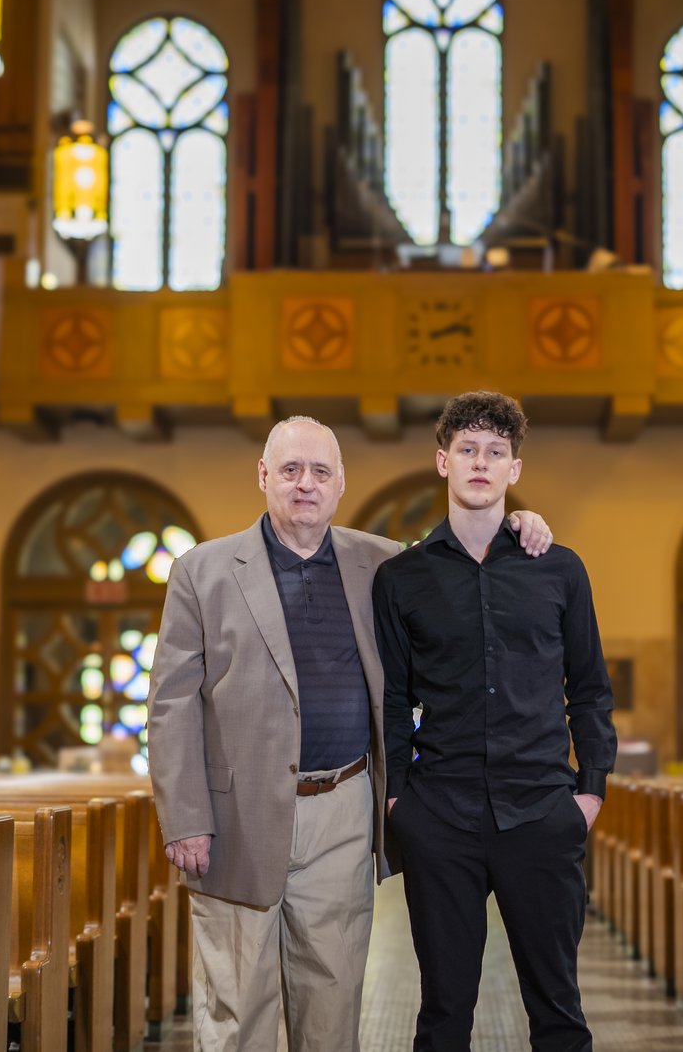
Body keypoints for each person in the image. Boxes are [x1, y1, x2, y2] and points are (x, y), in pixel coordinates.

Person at [147, 416, 552, 1052]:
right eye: (289, 469)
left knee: (332, 1002)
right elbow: (170, 705)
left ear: (340, 484)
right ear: (263, 477)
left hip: (343, 807)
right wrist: (185, 818)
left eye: (320, 471)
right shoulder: (202, 571)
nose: (304, 484)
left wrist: (516, 526)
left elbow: (461, 559)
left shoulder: (383, 564)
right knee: (235, 1008)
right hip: (237, 816)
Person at [374, 391, 617, 1052]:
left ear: (513, 469)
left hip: (541, 809)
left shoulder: (559, 569)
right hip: (440, 814)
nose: (481, 462)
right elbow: (393, 699)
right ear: (442, 460)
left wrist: (589, 791)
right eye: (468, 449)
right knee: (443, 1013)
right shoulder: (402, 578)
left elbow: (591, 688)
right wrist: (399, 799)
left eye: (496, 451)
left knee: (559, 1013)